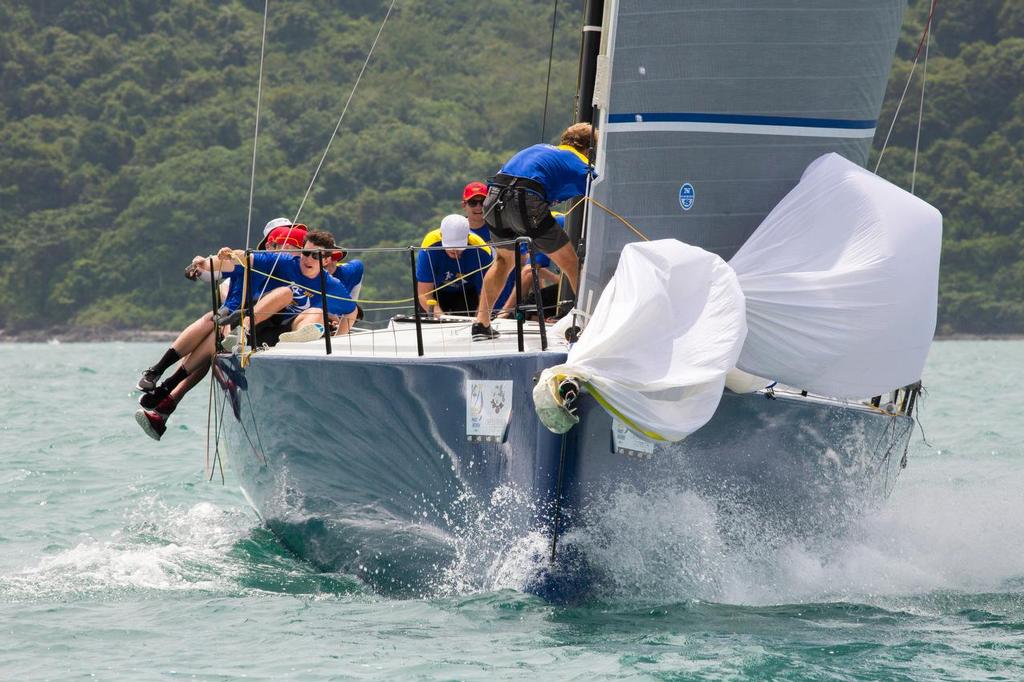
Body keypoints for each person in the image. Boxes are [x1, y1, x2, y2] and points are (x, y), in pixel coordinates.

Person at [135, 230, 356, 441]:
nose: (307, 258)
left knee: (315, 312)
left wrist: (338, 342)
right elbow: (244, 259)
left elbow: (351, 310)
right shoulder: (282, 262)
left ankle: (301, 336)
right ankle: (165, 386)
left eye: (314, 255)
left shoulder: (331, 285)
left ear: (326, 259)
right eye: (305, 252)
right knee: (222, 327)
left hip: (284, 330)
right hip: (256, 325)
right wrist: (219, 259)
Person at [471, 123, 595, 340]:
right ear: (589, 149)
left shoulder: (541, 148)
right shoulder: (580, 162)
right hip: (525, 200)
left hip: (493, 198)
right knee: (572, 264)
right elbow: (604, 187)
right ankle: (594, 327)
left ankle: (481, 324)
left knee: (503, 261)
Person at [415, 214, 492, 317]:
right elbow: (424, 294)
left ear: (468, 237)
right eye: (450, 245)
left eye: (459, 246)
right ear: (441, 236)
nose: (454, 250)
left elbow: (485, 296)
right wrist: (443, 318)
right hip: (436, 291)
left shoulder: (482, 251)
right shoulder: (429, 246)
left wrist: (480, 321)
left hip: (467, 291)